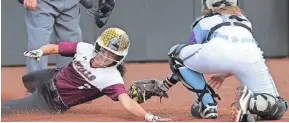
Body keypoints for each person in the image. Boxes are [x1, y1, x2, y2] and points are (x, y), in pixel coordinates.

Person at [128, 0, 288, 121]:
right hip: (252, 58)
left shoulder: (203, 22)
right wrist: (224, 75)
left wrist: (166, 84)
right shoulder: (246, 21)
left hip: (215, 53)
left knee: (176, 53)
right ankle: (250, 102)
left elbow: (185, 63)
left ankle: (208, 105)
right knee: (278, 106)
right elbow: (238, 54)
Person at [1, 28, 171, 122]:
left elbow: (126, 102)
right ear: (98, 46)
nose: (106, 56)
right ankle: (31, 98)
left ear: (119, 58)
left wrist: (149, 116)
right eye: (105, 50)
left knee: (5, 109)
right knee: (27, 80)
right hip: (52, 76)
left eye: (112, 55)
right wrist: (39, 51)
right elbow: (54, 48)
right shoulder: (85, 48)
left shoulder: (111, 78)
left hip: (52, 100)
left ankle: (32, 103)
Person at [22, 0, 83, 73]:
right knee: (38, 47)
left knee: (71, 47)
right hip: (43, 3)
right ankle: (36, 83)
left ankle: (67, 82)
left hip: (71, 4)